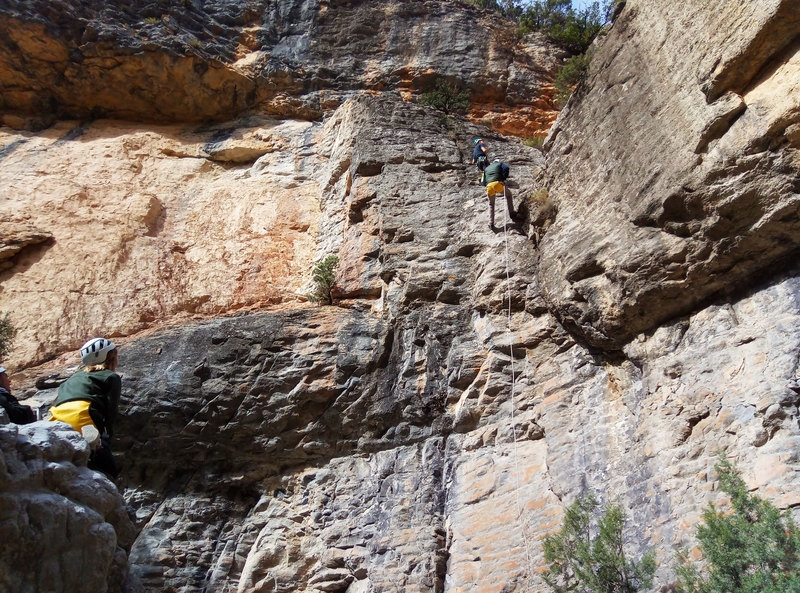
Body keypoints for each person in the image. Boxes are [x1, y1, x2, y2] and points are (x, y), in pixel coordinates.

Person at [50, 337, 121, 478]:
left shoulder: (71, 379)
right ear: (110, 358)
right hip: (84, 420)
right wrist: (107, 439)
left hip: (56, 421)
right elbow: (111, 412)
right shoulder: (111, 377)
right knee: (109, 470)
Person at [483, 158, 517, 230]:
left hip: (489, 186)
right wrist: (503, 178)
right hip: (497, 184)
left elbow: (483, 180)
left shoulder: (487, 168)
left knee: (491, 204)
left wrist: (486, 184)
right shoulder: (500, 164)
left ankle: (491, 223)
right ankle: (511, 213)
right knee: (508, 195)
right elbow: (506, 168)